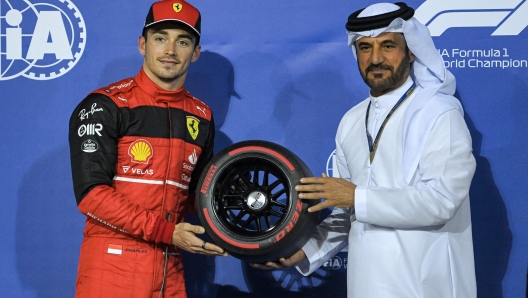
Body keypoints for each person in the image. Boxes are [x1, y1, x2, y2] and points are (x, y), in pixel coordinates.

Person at [251, 2, 477, 297]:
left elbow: (441, 201)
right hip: (366, 284)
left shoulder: (439, 113)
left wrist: (355, 196)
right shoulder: (352, 120)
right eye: (365, 48)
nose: (376, 58)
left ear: (410, 50)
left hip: (426, 283)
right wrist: (307, 249)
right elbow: (349, 212)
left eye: (387, 46)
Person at [68, 1, 227, 297]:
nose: (170, 50)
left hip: (171, 271)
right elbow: (92, 196)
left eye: (182, 41)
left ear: (195, 53)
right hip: (111, 268)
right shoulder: (106, 105)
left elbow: (198, 197)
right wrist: (167, 232)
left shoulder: (201, 115)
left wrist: (242, 225)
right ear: (143, 44)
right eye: (160, 38)